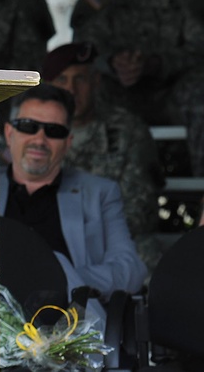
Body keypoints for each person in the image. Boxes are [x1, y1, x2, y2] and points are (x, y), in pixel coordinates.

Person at [70, 0, 204, 175]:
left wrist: (156, 64)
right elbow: (84, 43)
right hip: (118, 88)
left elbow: (199, 47)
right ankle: (92, 184)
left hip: (173, 89)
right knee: (83, 90)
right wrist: (113, 63)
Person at [0, 83, 146, 304]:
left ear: (68, 143)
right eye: (29, 126)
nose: (39, 140)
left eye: (54, 131)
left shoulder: (100, 193)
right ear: (9, 133)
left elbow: (130, 271)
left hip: (70, 325)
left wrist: (61, 276)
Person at [42, 42, 164, 270]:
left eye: (80, 79)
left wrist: (87, 239)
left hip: (111, 240)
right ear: (48, 84)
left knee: (147, 253)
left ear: (96, 81)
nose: (71, 90)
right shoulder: (34, 131)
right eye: (62, 80)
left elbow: (140, 209)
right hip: (49, 241)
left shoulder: (127, 129)